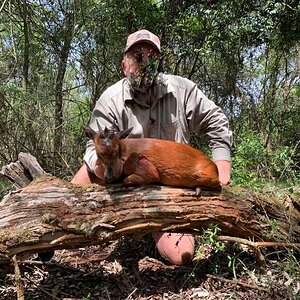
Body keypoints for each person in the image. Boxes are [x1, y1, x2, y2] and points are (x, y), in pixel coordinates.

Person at [71, 29, 232, 266]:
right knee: (75, 190)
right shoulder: (111, 99)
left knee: (181, 255)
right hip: (122, 174)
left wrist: (222, 170)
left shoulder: (182, 90)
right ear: (124, 65)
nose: (145, 63)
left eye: (152, 57)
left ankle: (155, 229)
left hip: (169, 184)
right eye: (138, 56)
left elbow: (216, 122)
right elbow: (94, 143)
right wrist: (102, 168)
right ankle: (57, 235)